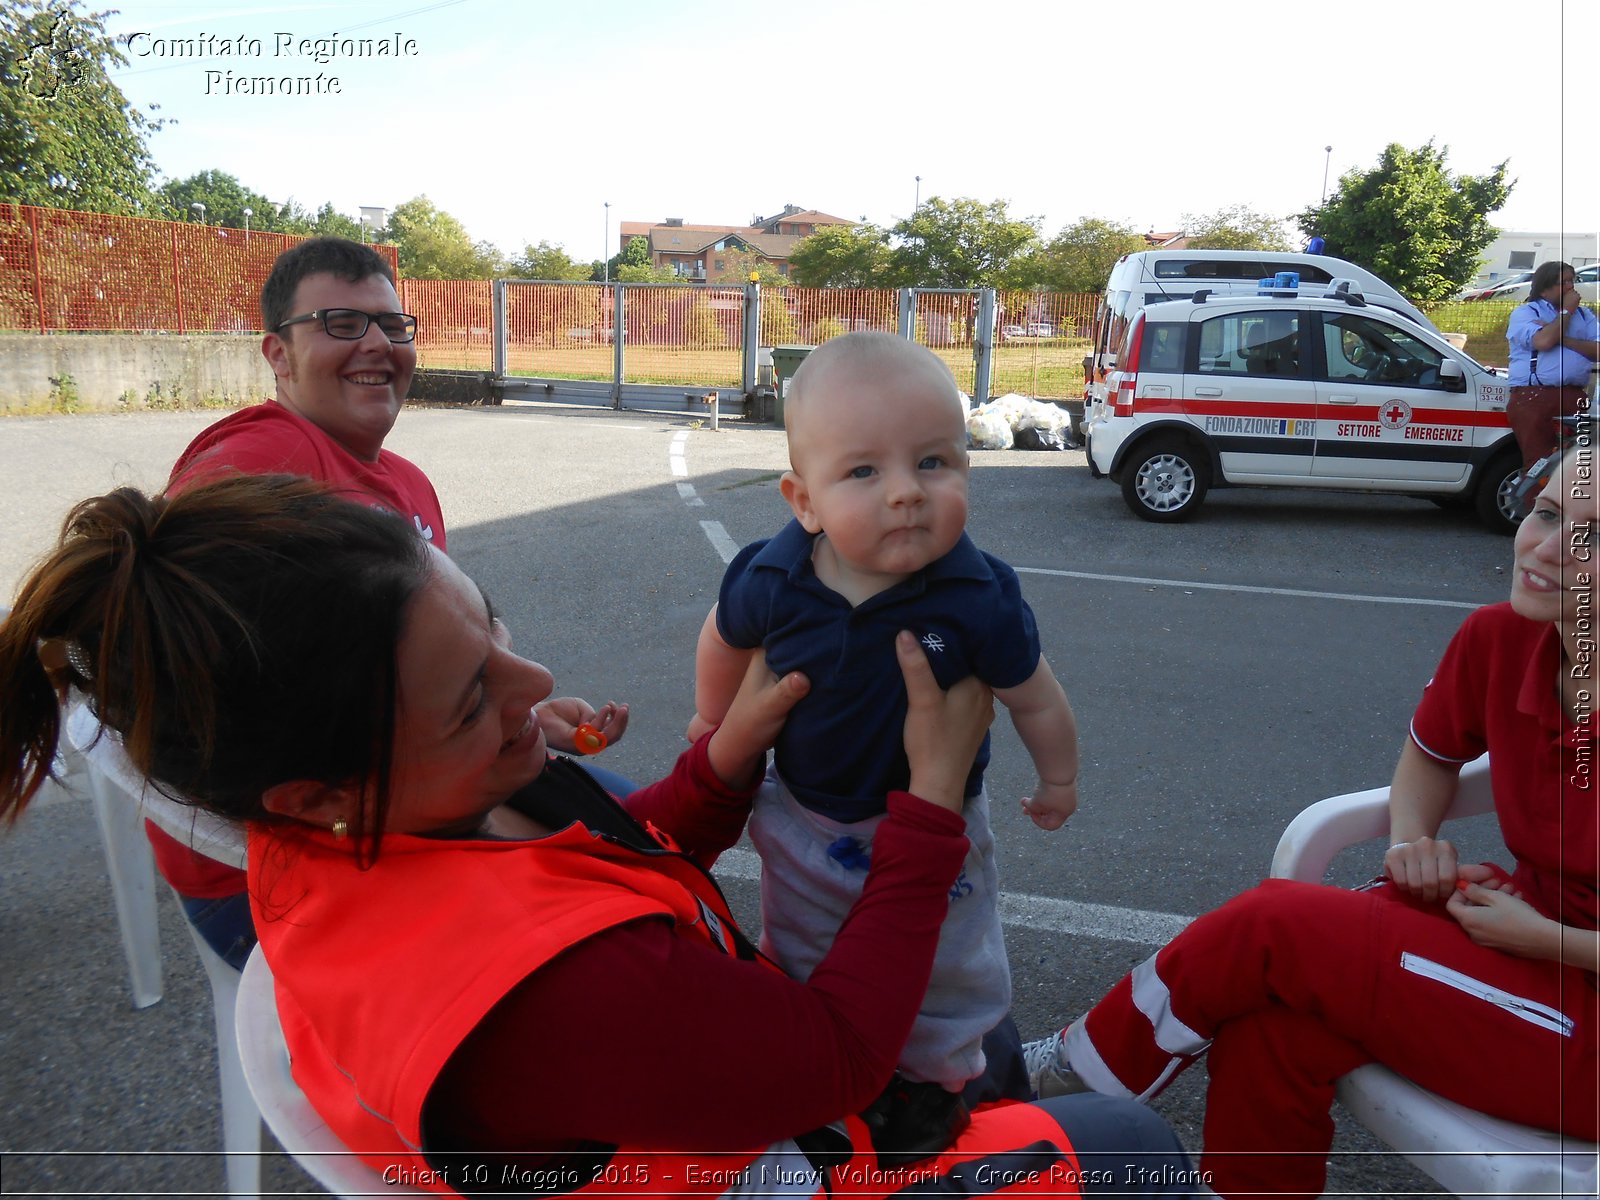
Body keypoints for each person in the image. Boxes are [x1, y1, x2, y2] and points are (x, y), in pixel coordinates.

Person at [0, 475, 1197, 1199]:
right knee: (1133, 1146)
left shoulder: (358, 837)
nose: (536, 682)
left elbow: (616, 853)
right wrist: (930, 807)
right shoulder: (558, 994)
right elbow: (832, 1056)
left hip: (687, 1105)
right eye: (473, 696)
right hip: (767, 1164)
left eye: (495, 630)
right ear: (319, 792)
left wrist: (728, 756)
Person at [1023, 445, 1600, 1199]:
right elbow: (1428, 757)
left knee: (1275, 928)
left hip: (1570, 989)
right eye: (1548, 513)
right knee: (1273, 1031)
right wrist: (1410, 843)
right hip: (1525, 946)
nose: (1547, 546)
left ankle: (1051, 1090)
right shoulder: (1504, 637)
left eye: (1591, 536)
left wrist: (1547, 940)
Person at [145, 236, 628, 969]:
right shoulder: (261, 465)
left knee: (630, 834)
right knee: (609, 907)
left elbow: (419, 675)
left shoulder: (407, 484)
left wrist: (511, 712)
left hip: (408, 801)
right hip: (291, 862)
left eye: (393, 325)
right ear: (276, 355)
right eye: (341, 323)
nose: (376, 342)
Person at [689, 332, 1080, 1142]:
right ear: (804, 500)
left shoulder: (978, 594)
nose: (906, 493)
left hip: (940, 828)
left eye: (933, 462)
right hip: (806, 813)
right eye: (865, 472)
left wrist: (1059, 778)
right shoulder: (773, 576)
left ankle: (939, 1073)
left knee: (952, 958)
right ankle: (826, 1058)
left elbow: (1036, 696)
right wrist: (712, 718)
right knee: (800, 939)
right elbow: (722, 637)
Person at [1506, 260, 1600, 473]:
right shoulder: (1527, 313)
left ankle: (1569, 505)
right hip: (1534, 396)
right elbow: (1543, 342)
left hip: (1573, 395)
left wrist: (1563, 339)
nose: (1570, 287)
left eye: (1572, 280)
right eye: (1563, 282)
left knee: (1579, 464)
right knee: (1540, 464)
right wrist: (1566, 312)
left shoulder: (1585, 315)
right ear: (1545, 288)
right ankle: (1536, 505)